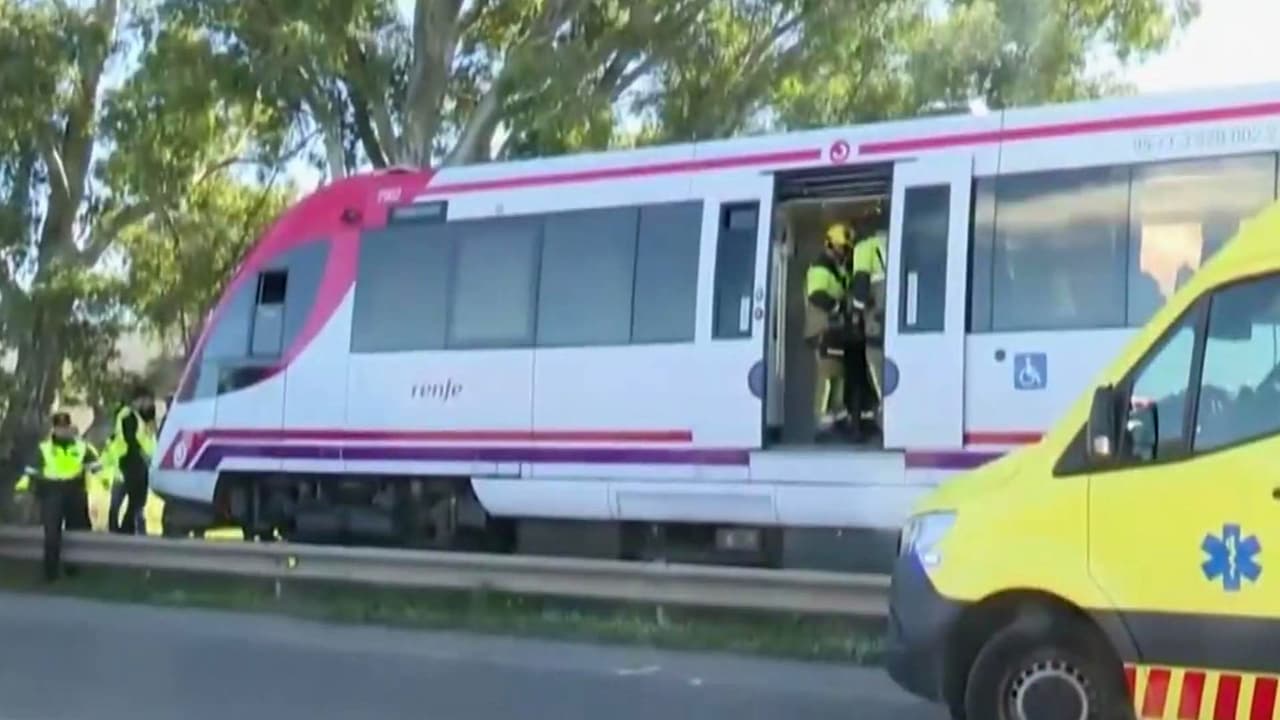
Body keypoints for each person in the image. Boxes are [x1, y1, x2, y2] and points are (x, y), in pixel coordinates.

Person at [15, 412, 102, 581]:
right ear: (53, 429)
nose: (63, 431)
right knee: (52, 534)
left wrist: (104, 485)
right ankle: (50, 573)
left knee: (77, 529)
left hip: (74, 491)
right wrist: (22, 489)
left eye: (65, 428)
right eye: (59, 428)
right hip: (51, 492)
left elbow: (97, 468)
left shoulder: (82, 446)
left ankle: (73, 569)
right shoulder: (44, 448)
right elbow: (30, 472)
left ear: (70, 428)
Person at [804, 223, 859, 441]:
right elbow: (817, 295)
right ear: (831, 245)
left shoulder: (838, 268)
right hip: (822, 329)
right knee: (828, 376)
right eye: (843, 248)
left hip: (835, 330)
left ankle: (836, 420)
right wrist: (839, 307)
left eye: (847, 249)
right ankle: (823, 422)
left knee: (838, 376)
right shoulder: (820, 267)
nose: (845, 252)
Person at [850, 208, 889, 432]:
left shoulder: (864, 248)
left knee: (874, 354)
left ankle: (886, 404)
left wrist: (856, 313)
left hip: (878, 308)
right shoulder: (893, 240)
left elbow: (861, 286)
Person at [108, 385, 157, 535]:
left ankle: (126, 529)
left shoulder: (142, 417)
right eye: (148, 401)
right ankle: (116, 530)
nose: (150, 405)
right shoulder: (127, 415)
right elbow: (130, 439)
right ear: (140, 400)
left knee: (136, 501)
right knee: (120, 500)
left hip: (139, 463)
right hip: (127, 462)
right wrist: (144, 455)